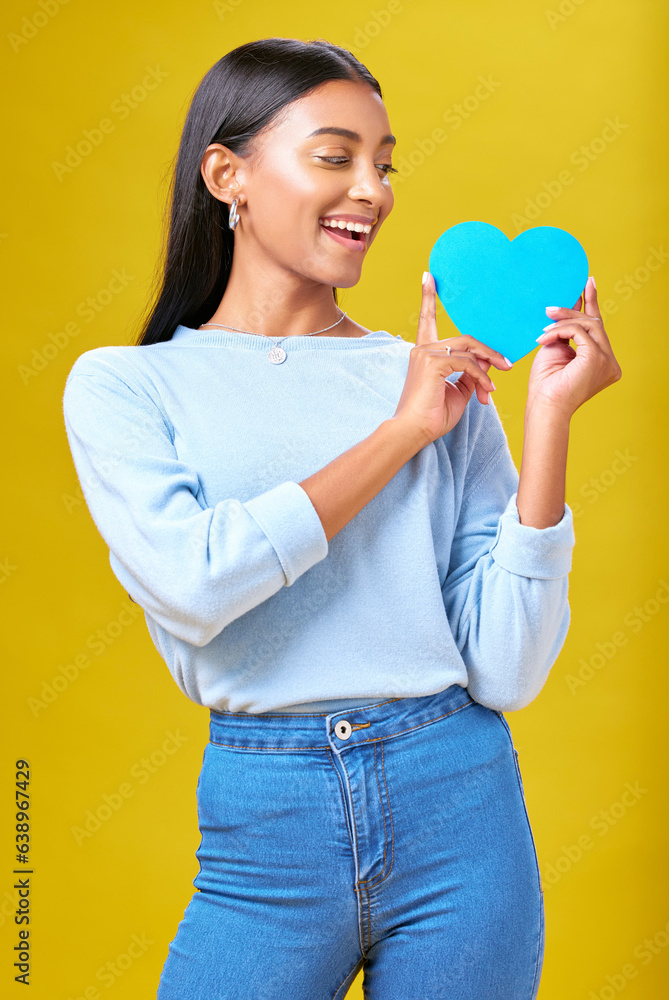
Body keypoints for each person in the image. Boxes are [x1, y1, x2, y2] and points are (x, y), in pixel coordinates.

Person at [61, 36, 621, 1000]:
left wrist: (544, 425)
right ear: (226, 175)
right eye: (335, 157)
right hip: (263, 831)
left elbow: (505, 668)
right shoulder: (125, 386)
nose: (372, 190)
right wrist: (400, 432)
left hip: (459, 809)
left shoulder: (438, 374)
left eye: (384, 163)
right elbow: (197, 585)